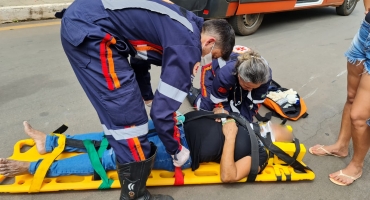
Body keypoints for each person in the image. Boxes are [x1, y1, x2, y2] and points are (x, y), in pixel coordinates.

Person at [58, 0, 235, 199]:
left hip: (87, 21)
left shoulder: (183, 24)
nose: (206, 61)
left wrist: (147, 96)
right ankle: (136, 196)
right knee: (129, 121)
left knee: (121, 119)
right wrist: (176, 149)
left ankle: (53, 145)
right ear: (210, 42)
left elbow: (138, 55)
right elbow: (161, 114)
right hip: (92, 32)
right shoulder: (188, 45)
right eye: (212, 55)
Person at [0, 113, 293, 183]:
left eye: (285, 131)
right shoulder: (251, 123)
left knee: (113, 157)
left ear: (282, 142)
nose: (282, 126)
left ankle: (31, 167)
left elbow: (228, 176)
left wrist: (229, 137)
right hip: (174, 127)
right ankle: (49, 142)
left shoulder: (262, 155)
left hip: (179, 150)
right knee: (113, 133)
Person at [308, 3, 370, 186]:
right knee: (351, 96)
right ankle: (341, 146)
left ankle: (356, 166)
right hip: (366, 29)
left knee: (360, 116)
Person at [189, 46, 272, 123]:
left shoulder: (265, 76)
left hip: (234, 74)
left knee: (240, 112)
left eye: (254, 88)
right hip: (211, 67)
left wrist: (244, 121)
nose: (250, 90)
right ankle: (192, 92)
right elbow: (219, 101)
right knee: (208, 109)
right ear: (239, 76)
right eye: (248, 86)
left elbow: (255, 103)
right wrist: (223, 112)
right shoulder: (226, 75)